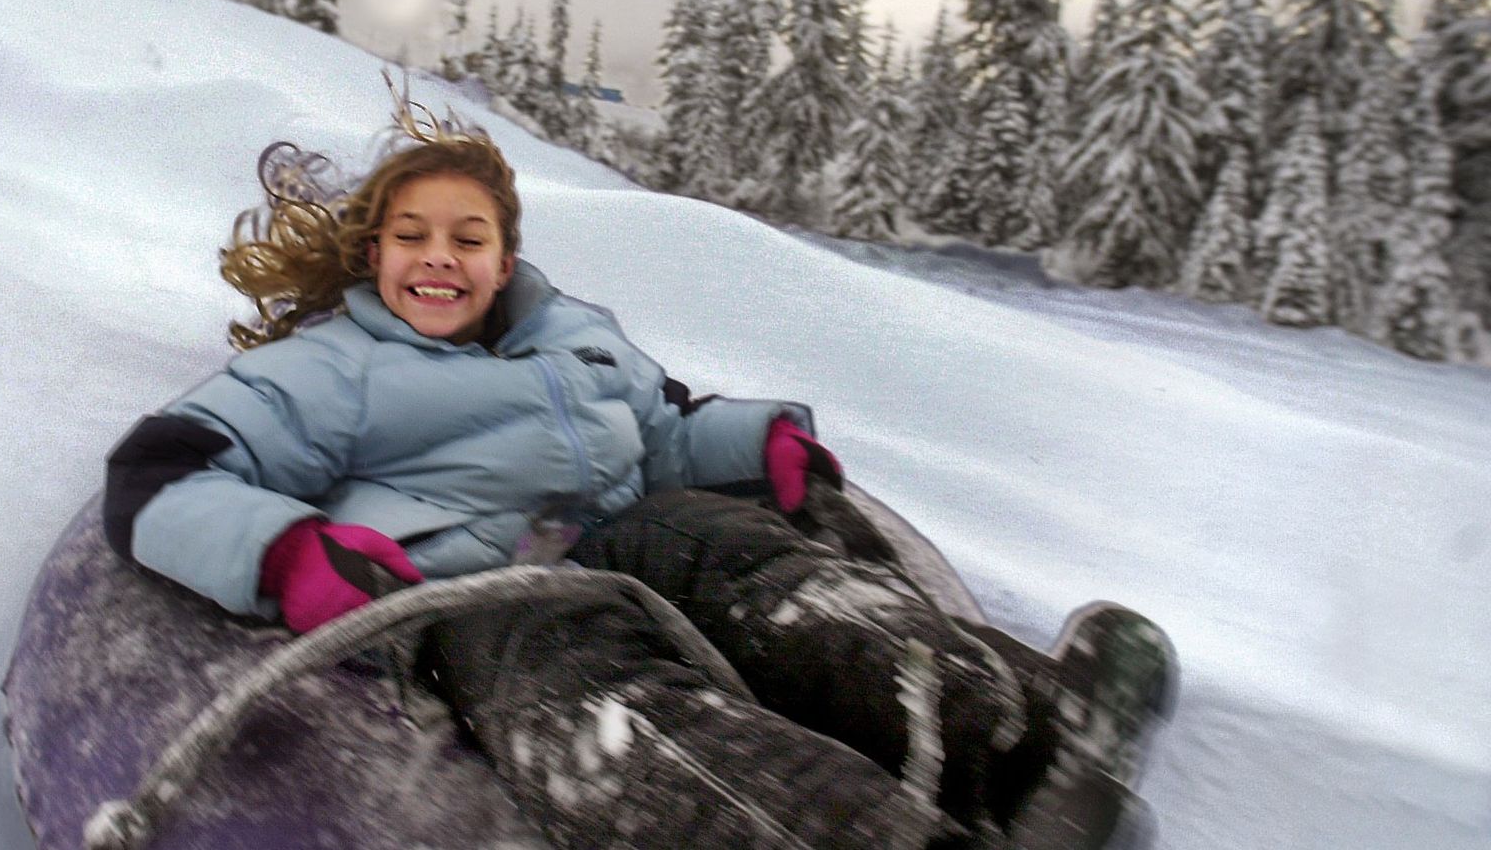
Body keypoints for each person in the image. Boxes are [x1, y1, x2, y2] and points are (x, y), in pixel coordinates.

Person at [102, 104, 1174, 850]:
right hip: (483, 600)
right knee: (603, 716)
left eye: (468, 236)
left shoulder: (575, 344)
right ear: (372, 257)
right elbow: (159, 476)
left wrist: (757, 446)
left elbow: (662, 429)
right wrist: (290, 552)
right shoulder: (332, 368)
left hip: (639, 542)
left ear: (505, 254)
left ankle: (1031, 749)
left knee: (751, 563)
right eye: (411, 236)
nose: (441, 257)